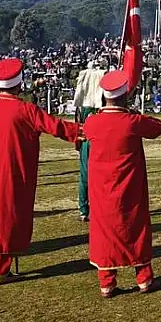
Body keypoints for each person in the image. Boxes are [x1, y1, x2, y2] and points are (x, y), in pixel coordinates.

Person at [0, 58, 80, 284]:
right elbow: (55, 126)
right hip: (13, 171)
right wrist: (80, 131)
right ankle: (1, 269)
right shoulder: (26, 110)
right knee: (9, 213)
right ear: (19, 84)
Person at [83, 70, 161, 298]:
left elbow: (86, 131)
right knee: (136, 229)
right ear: (125, 95)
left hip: (102, 189)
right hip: (130, 187)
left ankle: (107, 282)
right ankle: (144, 278)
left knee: (104, 233)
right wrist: (134, 113)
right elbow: (158, 127)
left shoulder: (93, 123)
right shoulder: (132, 121)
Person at [73, 63, 105, 223]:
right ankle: (88, 208)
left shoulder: (83, 106)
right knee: (93, 176)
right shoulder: (98, 103)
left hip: (88, 139)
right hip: (93, 139)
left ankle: (85, 209)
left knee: (86, 176)